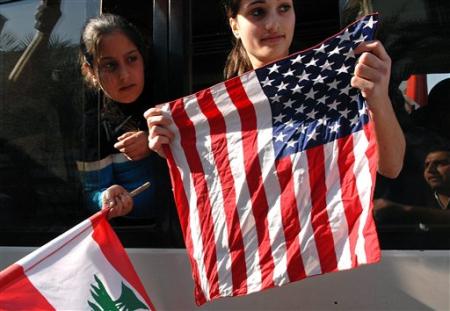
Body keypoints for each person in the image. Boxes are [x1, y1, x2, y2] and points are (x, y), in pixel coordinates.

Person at [144, 0, 405, 179]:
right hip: (256, 254)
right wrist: (174, 149)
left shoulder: (335, 83)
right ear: (234, 24)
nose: (273, 23)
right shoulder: (216, 112)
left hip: (324, 251)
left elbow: (390, 167)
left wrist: (378, 98)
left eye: (283, 8)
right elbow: (216, 188)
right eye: (258, 12)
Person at [78, 14, 162, 219]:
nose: (124, 75)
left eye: (131, 59)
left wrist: (154, 143)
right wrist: (106, 199)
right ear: (91, 71)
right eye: (110, 65)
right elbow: (92, 195)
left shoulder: (170, 91)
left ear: (143, 57)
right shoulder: (94, 128)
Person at [374, 146, 450, 224]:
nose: (430, 170)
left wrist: (406, 211)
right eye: (426, 165)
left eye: (440, 164)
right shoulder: (415, 194)